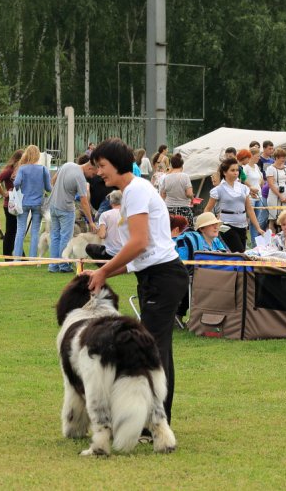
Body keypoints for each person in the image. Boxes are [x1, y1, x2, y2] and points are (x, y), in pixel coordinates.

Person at [86, 138, 188, 426]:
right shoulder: (134, 191)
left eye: (102, 166)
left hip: (163, 277)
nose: (99, 172)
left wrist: (103, 271)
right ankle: (157, 419)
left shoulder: (135, 191)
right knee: (158, 350)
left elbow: (140, 243)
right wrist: (101, 272)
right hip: (157, 275)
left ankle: (153, 422)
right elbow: (139, 258)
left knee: (151, 352)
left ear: (117, 164)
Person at [47, 155, 96, 273]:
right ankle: (64, 265)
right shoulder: (80, 178)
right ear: (90, 168)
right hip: (66, 208)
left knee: (55, 236)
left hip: (53, 205)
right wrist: (91, 221)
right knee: (66, 237)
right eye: (94, 173)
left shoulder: (67, 165)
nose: (93, 176)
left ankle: (53, 266)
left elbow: (53, 180)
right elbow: (84, 202)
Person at [203, 158, 264, 252]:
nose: (236, 172)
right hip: (226, 226)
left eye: (237, 170)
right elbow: (207, 209)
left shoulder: (244, 188)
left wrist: (258, 228)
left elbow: (249, 209)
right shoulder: (218, 190)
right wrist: (208, 225)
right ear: (224, 172)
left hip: (243, 226)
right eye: (232, 170)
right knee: (240, 253)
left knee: (240, 255)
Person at [13, 145, 52, 258]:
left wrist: (20, 189)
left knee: (20, 230)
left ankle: (16, 257)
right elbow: (49, 188)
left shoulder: (22, 168)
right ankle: (32, 257)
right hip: (38, 203)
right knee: (35, 232)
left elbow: (16, 183)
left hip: (23, 202)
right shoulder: (43, 169)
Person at [0, 149, 24, 260]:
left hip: (17, 204)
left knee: (16, 230)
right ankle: (7, 256)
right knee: (11, 231)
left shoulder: (18, 170)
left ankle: (20, 253)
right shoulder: (9, 170)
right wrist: (4, 193)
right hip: (10, 205)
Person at [85, 190, 124, 260]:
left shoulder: (105, 215)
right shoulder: (130, 214)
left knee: (89, 247)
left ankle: (105, 267)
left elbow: (102, 235)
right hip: (128, 253)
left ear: (110, 202)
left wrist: (98, 230)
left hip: (111, 254)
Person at [159, 153, 194, 227]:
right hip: (183, 209)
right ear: (182, 165)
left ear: (171, 165)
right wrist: (192, 198)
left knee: (170, 231)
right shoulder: (185, 176)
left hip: (169, 209)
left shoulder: (166, 178)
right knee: (185, 232)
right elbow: (189, 193)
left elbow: (163, 194)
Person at [240, 147, 263, 245]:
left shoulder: (256, 167)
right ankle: (254, 242)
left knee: (257, 221)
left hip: (259, 195)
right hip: (251, 197)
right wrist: (251, 188)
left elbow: (261, 178)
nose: (259, 158)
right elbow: (243, 180)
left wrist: (259, 185)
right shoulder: (246, 168)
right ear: (252, 156)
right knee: (253, 221)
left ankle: (256, 241)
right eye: (257, 156)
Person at [265, 148, 286, 232]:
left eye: (284, 157)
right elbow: (271, 184)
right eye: (282, 157)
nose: (283, 159)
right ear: (276, 157)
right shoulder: (270, 168)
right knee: (272, 220)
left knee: (285, 218)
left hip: (285, 194)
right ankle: (272, 240)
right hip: (274, 195)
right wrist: (280, 196)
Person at [257, 140, 275, 231]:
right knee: (262, 215)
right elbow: (259, 174)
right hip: (261, 189)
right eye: (269, 148)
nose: (271, 150)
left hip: (271, 189)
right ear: (264, 148)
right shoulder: (259, 160)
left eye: (272, 148)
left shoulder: (273, 160)